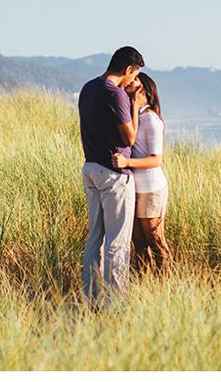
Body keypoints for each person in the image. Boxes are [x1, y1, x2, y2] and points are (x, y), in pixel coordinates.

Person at [77, 45, 145, 305]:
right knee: (118, 241)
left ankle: (91, 297)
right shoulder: (115, 94)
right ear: (128, 69)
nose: (133, 82)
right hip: (114, 174)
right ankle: (115, 303)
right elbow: (129, 136)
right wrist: (135, 105)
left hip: (90, 167)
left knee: (94, 238)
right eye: (134, 75)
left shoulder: (88, 88)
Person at [113, 71, 171, 272]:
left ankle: (167, 283)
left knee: (155, 239)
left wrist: (127, 162)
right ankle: (143, 284)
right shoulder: (135, 117)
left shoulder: (151, 120)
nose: (130, 81)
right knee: (138, 241)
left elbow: (157, 159)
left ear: (144, 89)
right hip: (136, 187)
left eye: (135, 80)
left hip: (151, 188)